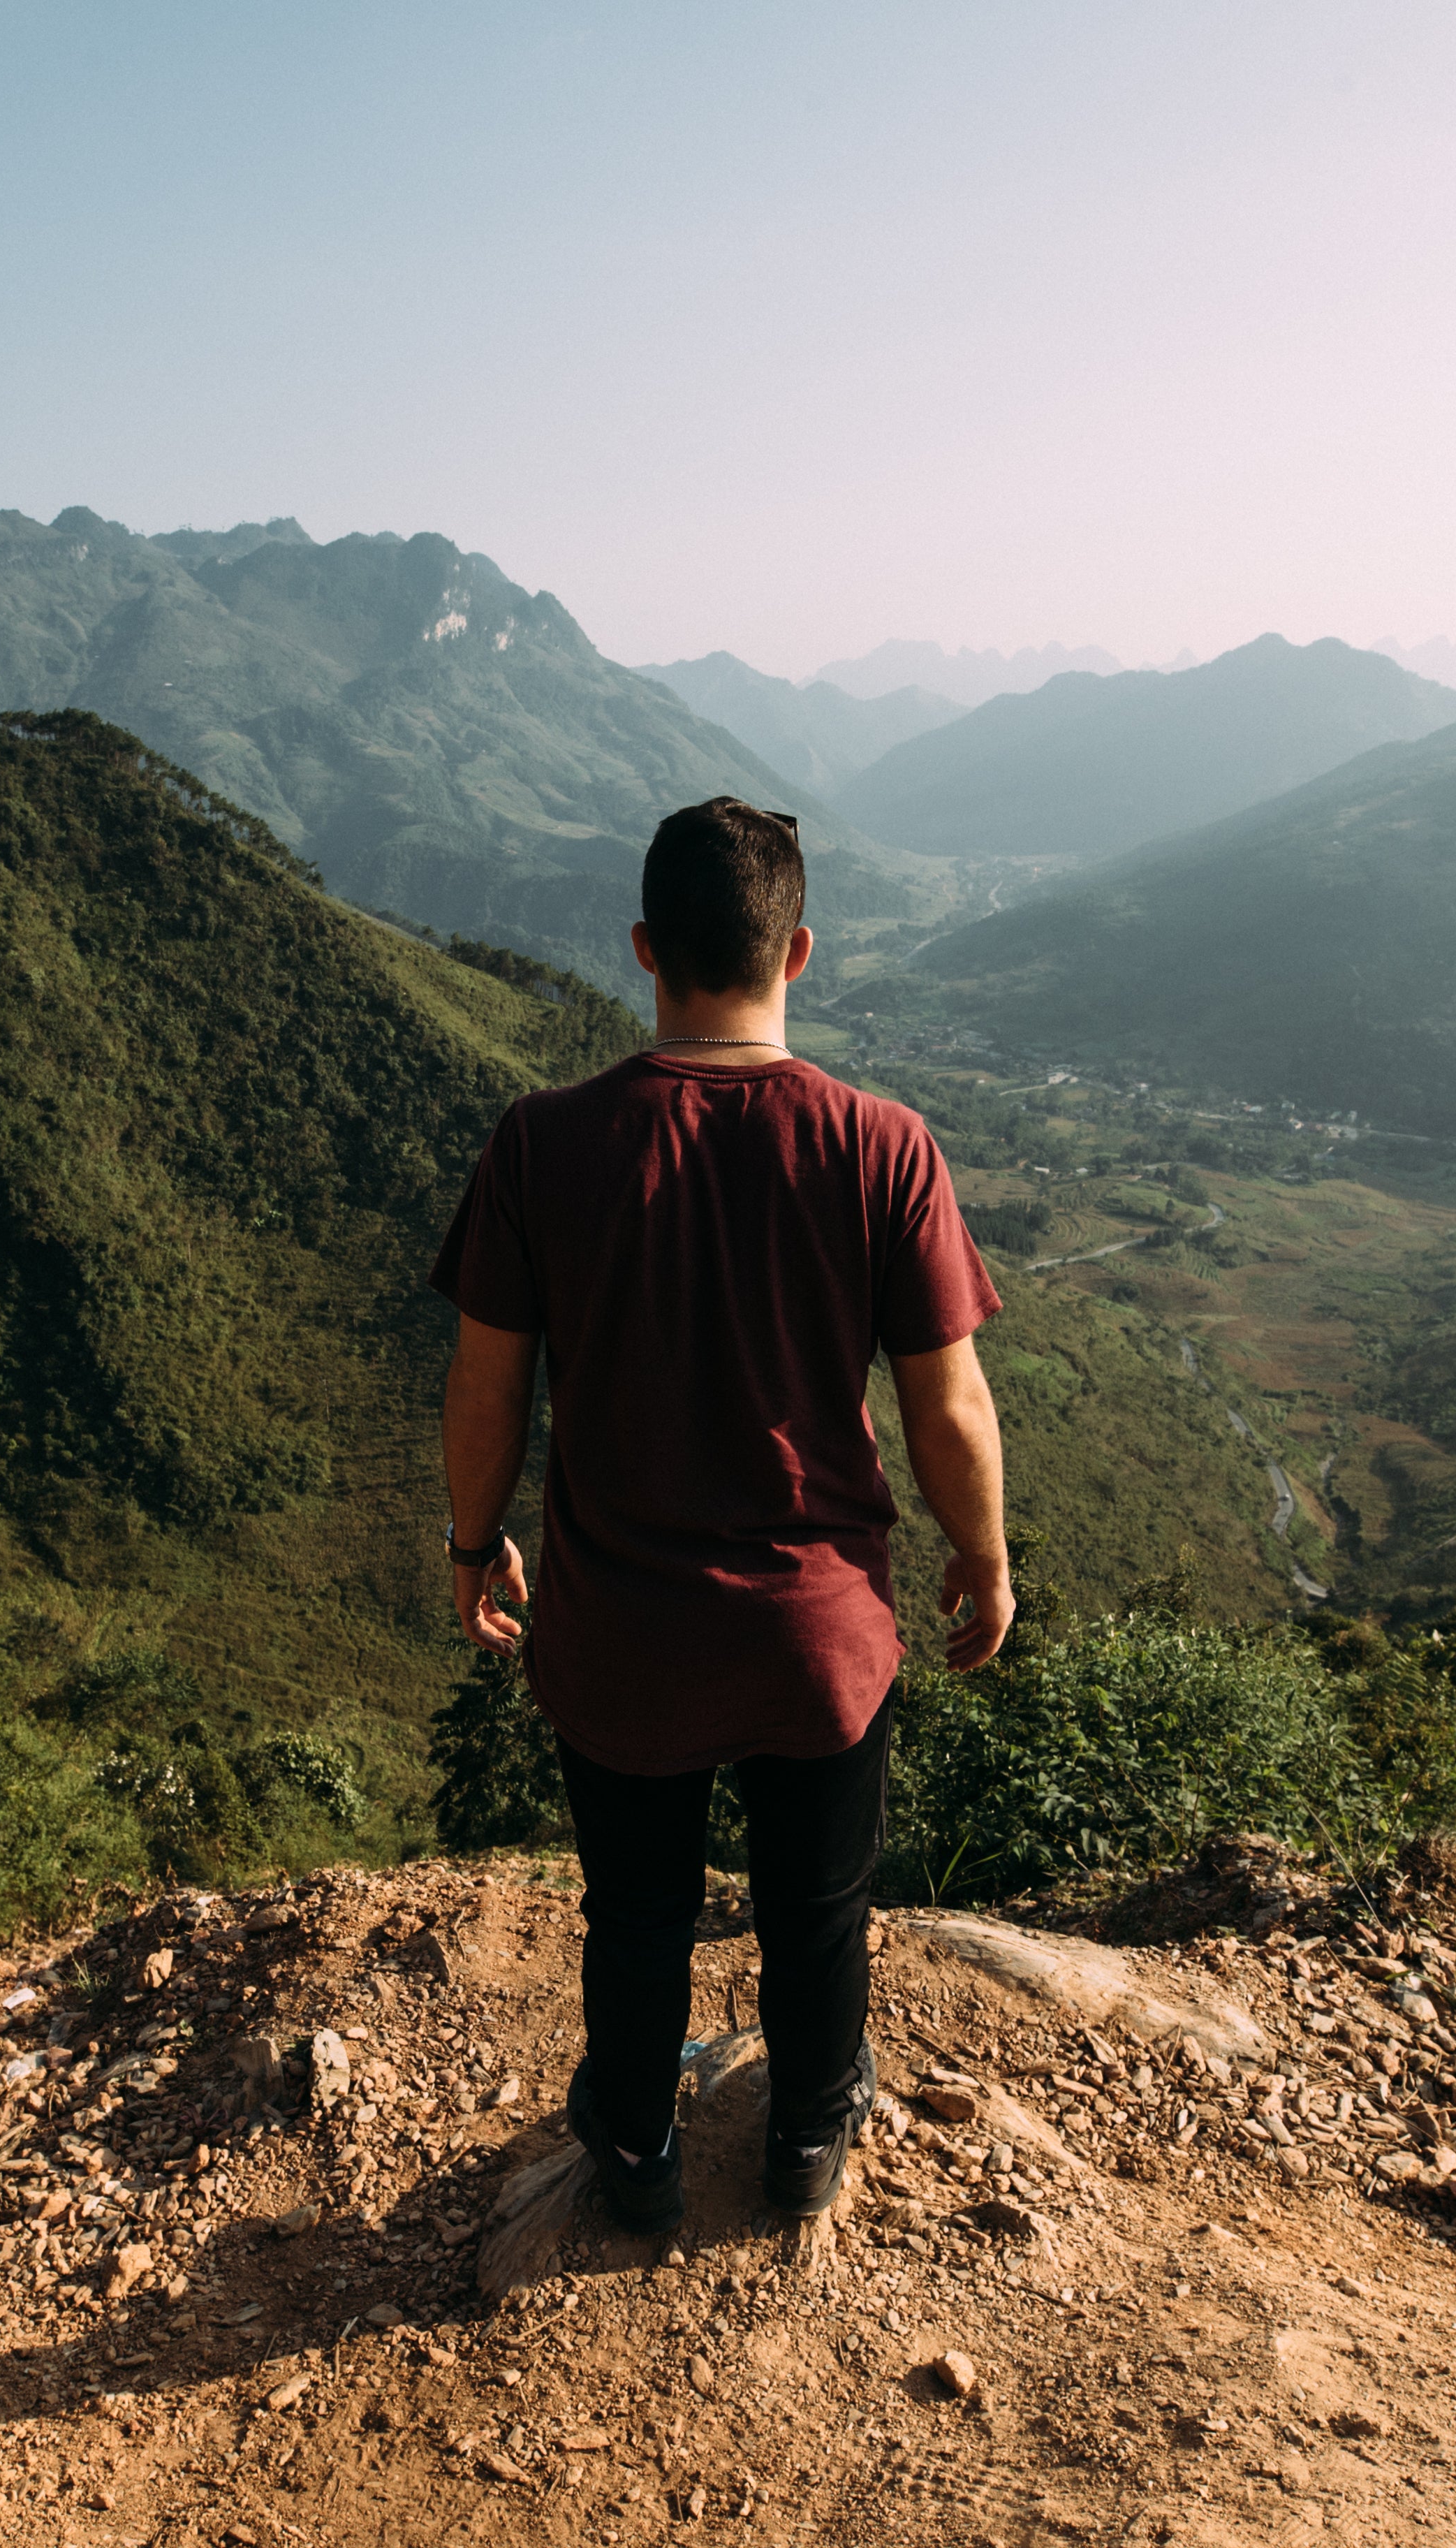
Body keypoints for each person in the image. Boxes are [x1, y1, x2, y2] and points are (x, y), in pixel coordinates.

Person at [429, 795, 1013, 2227]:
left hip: (619, 1632)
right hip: (817, 1637)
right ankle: (810, 2133)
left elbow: (487, 1386)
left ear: (643, 949)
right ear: (798, 951)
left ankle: (634, 2150)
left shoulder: (543, 1142)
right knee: (818, 1910)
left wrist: (473, 1539)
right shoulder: (882, 1145)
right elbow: (947, 1405)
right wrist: (984, 1558)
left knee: (632, 1915)